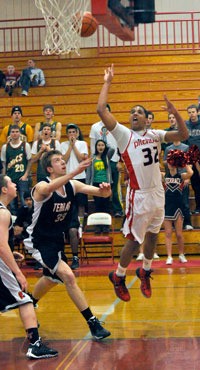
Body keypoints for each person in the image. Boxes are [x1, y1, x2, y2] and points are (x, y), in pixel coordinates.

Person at [97, 63, 189, 301]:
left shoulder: (156, 134)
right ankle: (118, 276)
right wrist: (107, 82)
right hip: (138, 194)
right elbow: (101, 110)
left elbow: (184, 135)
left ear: (147, 119)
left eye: (139, 112)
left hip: (158, 192)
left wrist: (175, 111)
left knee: (152, 236)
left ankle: (145, 271)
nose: (134, 114)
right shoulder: (124, 134)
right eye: (132, 112)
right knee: (133, 241)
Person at [23, 150, 111, 340]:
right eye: (57, 161)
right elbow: (46, 190)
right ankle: (92, 322)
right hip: (38, 240)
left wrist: (105, 191)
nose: (62, 162)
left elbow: (98, 192)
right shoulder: (41, 186)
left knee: (51, 278)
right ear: (49, 168)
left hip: (55, 240)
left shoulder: (72, 185)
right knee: (68, 276)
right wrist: (73, 171)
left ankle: (28, 303)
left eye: (63, 160)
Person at [0, 174, 58, 359]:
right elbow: (1, 246)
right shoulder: (3, 213)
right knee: (24, 299)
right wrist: (18, 272)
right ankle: (35, 345)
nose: (15, 184)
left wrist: (11, 252)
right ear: (3, 189)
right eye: (11, 183)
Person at [89, 104, 124, 217]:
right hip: (99, 160)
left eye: (107, 111)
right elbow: (92, 144)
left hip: (113, 159)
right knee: (100, 185)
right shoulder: (95, 127)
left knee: (114, 187)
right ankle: (101, 210)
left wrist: (120, 160)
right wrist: (93, 159)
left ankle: (117, 209)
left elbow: (120, 144)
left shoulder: (115, 126)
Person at [162, 150, 193, 264]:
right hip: (167, 207)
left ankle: (181, 254)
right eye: (169, 162)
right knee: (168, 234)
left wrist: (183, 162)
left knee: (179, 234)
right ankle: (169, 256)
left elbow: (191, 172)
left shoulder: (182, 176)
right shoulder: (164, 176)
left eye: (172, 162)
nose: (170, 164)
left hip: (178, 207)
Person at [61, 123, 89, 228]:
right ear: (67, 134)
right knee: (68, 203)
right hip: (68, 177)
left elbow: (81, 158)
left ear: (77, 134)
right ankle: (69, 224)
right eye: (70, 132)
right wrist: (70, 146)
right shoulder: (63, 144)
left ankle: (80, 225)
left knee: (81, 203)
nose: (72, 134)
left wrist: (74, 146)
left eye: (74, 132)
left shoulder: (82, 143)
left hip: (80, 176)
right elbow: (64, 159)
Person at [1, 125, 32, 215]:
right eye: (13, 132)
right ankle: (14, 222)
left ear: (20, 133)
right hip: (10, 178)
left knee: (24, 202)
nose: (15, 134)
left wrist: (26, 175)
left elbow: (30, 161)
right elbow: (3, 163)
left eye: (16, 131)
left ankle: (24, 223)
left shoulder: (25, 145)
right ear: (10, 134)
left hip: (22, 178)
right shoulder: (5, 147)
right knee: (12, 203)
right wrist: (4, 178)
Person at [164, 139, 193, 230]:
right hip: (171, 176)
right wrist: (172, 159)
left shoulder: (186, 147)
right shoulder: (168, 148)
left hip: (182, 177)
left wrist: (187, 178)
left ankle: (187, 223)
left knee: (184, 202)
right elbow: (164, 162)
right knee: (170, 201)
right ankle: (172, 223)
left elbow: (190, 162)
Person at [86, 139, 114, 233]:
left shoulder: (106, 156)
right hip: (95, 184)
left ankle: (106, 226)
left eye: (102, 145)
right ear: (95, 147)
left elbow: (113, 148)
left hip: (106, 184)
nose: (100, 147)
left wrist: (105, 139)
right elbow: (89, 172)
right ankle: (98, 226)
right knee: (98, 205)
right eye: (99, 145)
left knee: (105, 205)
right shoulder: (92, 158)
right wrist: (87, 184)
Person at [185, 104, 200, 214]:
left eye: (193, 112)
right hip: (191, 158)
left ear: (197, 112)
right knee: (195, 184)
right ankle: (198, 206)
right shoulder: (186, 124)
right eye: (189, 112)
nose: (192, 114)